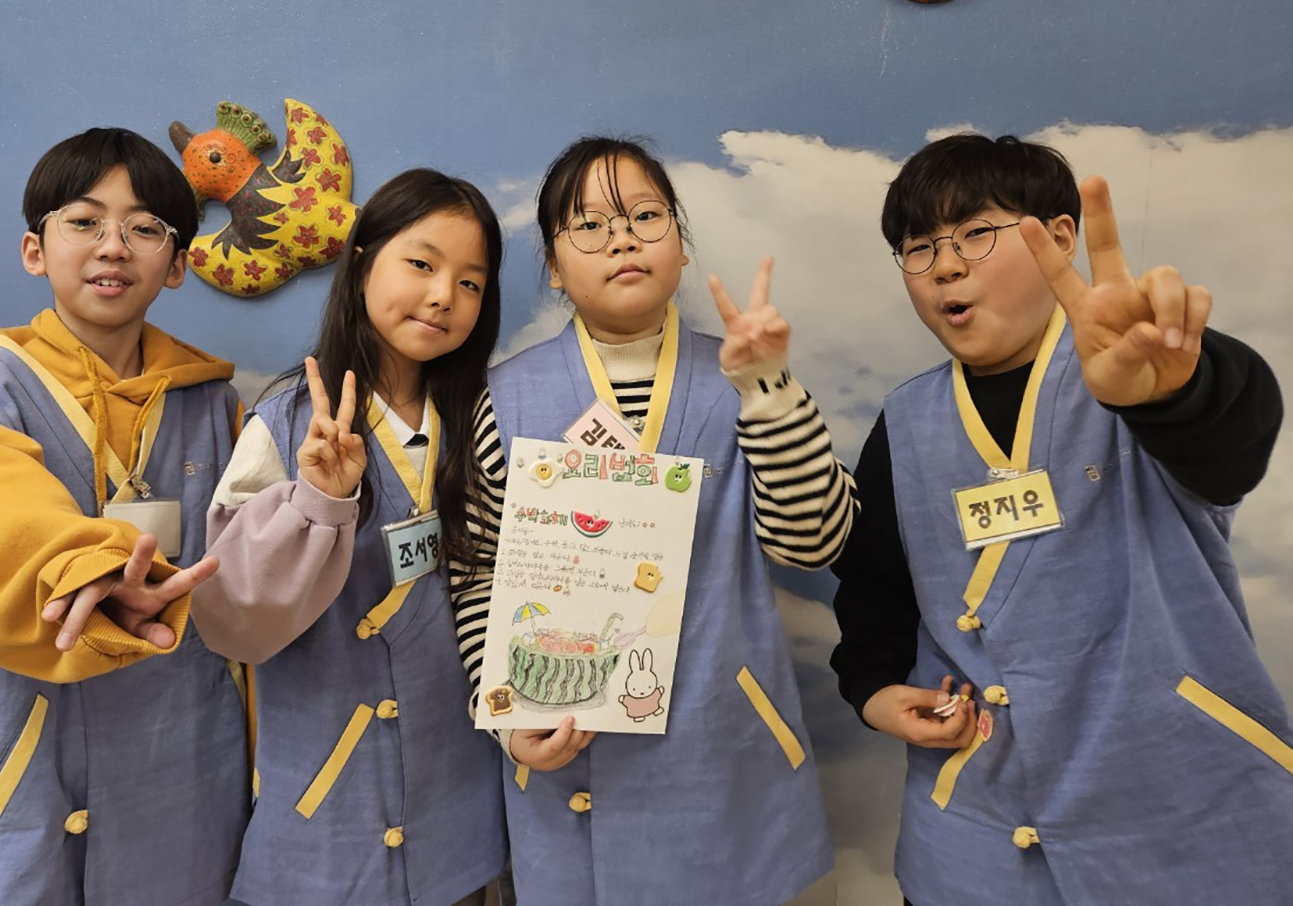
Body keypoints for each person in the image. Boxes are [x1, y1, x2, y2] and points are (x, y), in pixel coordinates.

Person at [829, 133, 1290, 906]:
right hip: (972, 844)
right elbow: (876, 589)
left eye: (975, 232)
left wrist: (1176, 391)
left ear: (1061, 236)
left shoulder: (1138, 373)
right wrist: (873, 689)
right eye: (918, 246)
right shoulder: (903, 421)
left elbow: (1230, 438)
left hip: (1182, 821)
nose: (944, 265)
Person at [450, 136, 858, 906]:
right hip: (570, 770)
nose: (623, 239)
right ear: (552, 264)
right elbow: (475, 574)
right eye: (589, 225)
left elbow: (813, 542)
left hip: (727, 763)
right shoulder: (502, 399)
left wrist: (769, 388)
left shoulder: (743, 374)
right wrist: (504, 717)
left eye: (644, 216)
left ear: (680, 242)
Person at [0, 128, 250, 906]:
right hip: (22, 742)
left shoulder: (218, 406)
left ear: (176, 264)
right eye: (84, 221)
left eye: (145, 227)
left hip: (181, 756)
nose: (113, 245)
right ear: (34, 249)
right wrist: (82, 564)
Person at [191, 168, 508, 906]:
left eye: (470, 282)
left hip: (458, 815)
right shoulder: (284, 423)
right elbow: (230, 621)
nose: (444, 295)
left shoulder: (486, 423)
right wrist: (319, 501)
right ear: (361, 261)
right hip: (325, 817)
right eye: (421, 263)